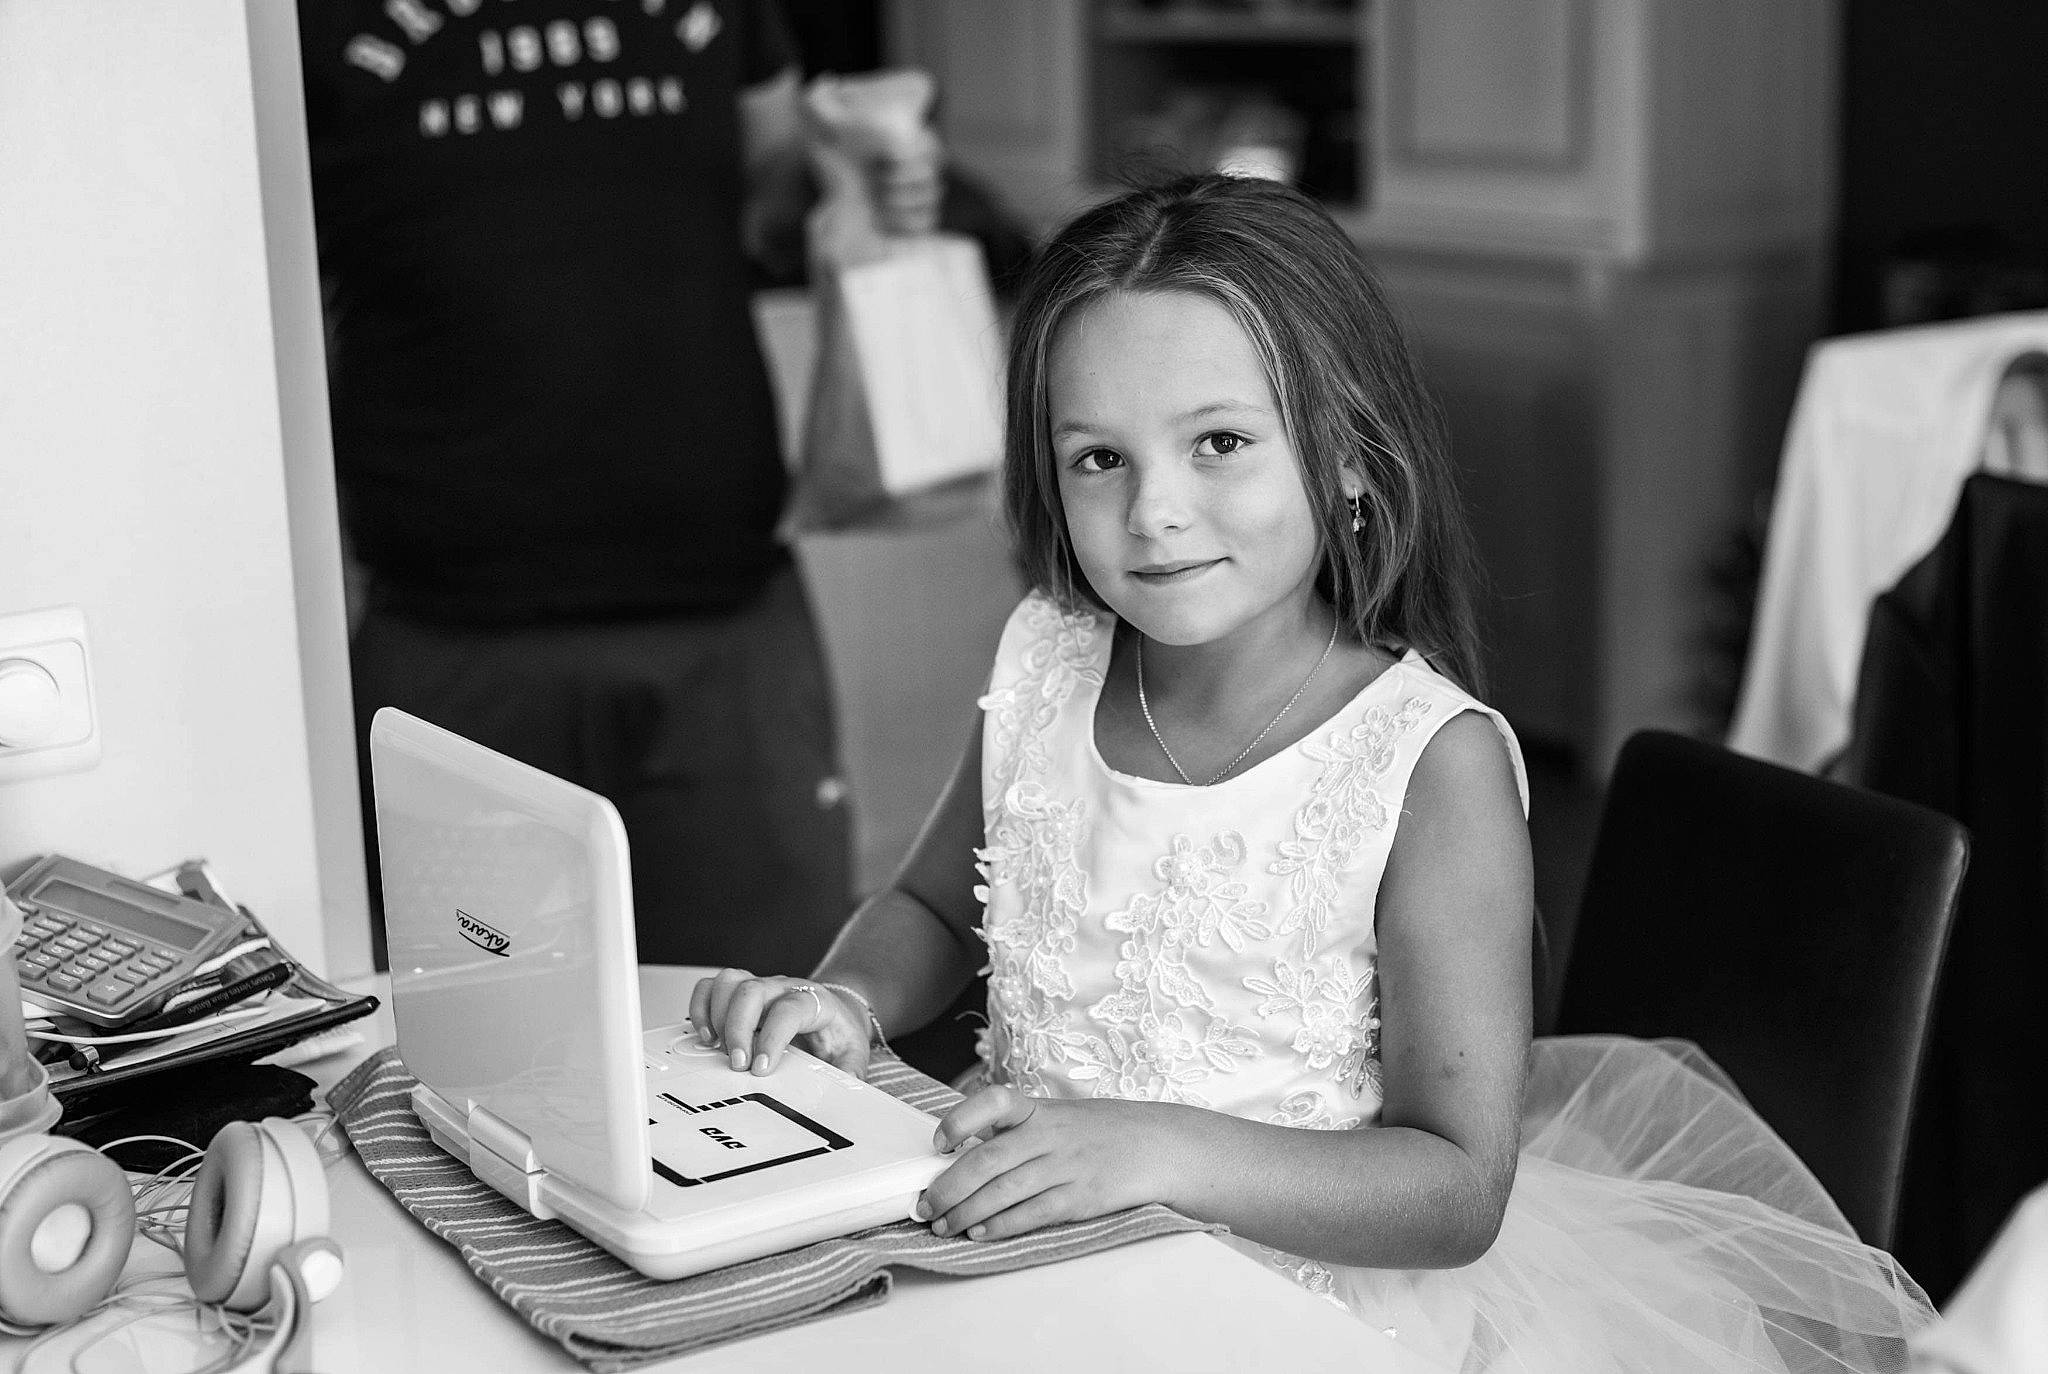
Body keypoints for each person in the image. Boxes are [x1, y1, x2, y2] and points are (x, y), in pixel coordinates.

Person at [689, 174, 1935, 1370]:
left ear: (1346, 456)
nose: (1154, 511)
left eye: (1218, 441)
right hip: (1029, 1237)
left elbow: (1452, 1189)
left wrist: (1152, 1152)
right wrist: (846, 999)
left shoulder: (1423, 762)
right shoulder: (1045, 660)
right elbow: (923, 909)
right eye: (1097, 458)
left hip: (1296, 1304)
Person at [295, 0, 939, 970]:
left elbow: (764, 197)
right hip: (447, 632)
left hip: (721, 613)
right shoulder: (294, 19)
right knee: (478, 1046)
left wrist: (849, 177)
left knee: (766, 1024)